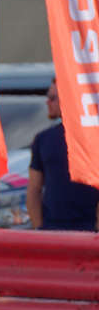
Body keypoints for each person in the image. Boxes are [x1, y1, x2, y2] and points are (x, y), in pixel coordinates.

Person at [26, 81, 99, 231]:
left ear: (67, 100)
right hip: (52, 230)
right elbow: (33, 189)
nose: (47, 102)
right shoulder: (43, 139)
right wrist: (39, 229)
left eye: (52, 98)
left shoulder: (93, 136)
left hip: (88, 230)